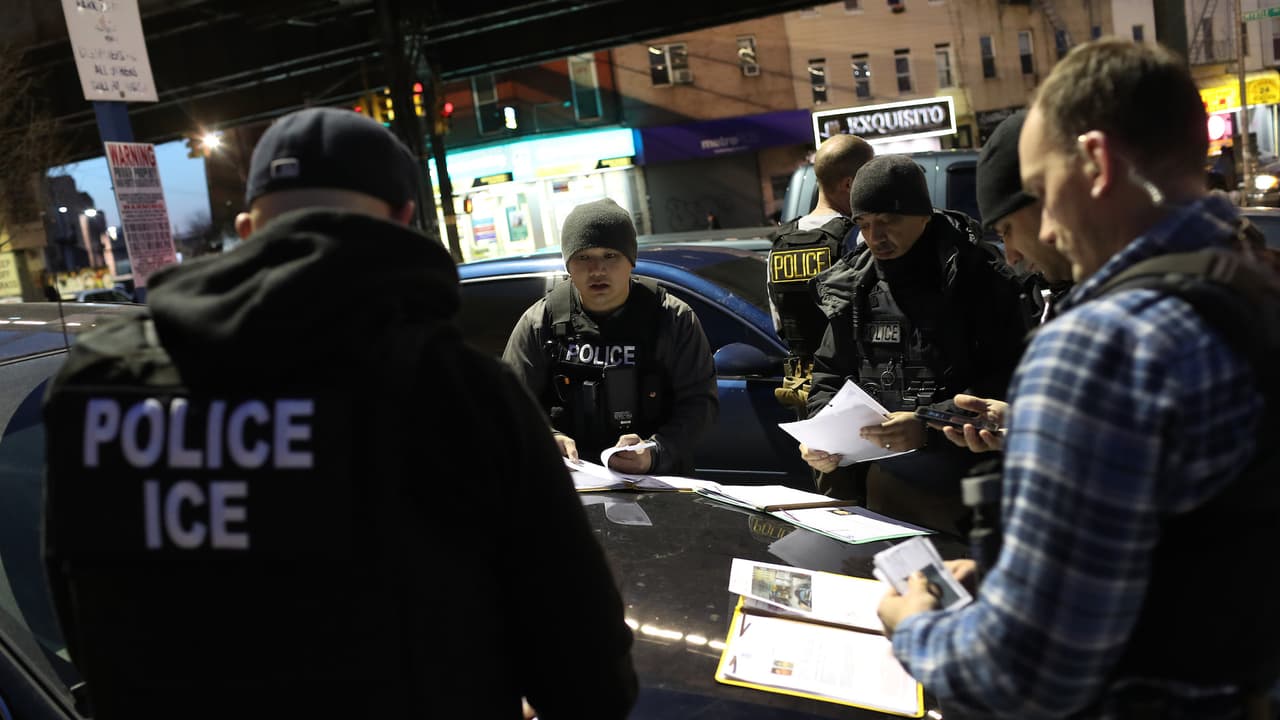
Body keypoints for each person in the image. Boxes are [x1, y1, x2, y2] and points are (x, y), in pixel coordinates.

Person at [42, 108, 637, 720]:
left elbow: (81, 619)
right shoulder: (461, 396)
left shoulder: (98, 381)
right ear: (404, 218)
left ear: (248, 228)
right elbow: (585, 670)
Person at [878, 39, 1280, 718]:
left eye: (1036, 191)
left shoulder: (1101, 341)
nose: (1041, 233)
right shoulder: (1256, 284)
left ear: (1094, 163)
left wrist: (913, 623)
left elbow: (1020, 677)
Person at [798, 154, 1028, 532]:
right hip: (879, 493)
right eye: (865, 224)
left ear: (924, 215)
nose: (875, 236)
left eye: (888, 221)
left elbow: (1006, 381)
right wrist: (820, 435)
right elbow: (830, 373)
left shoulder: (979, 281)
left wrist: (927, 426)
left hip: (966, 490)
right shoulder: (852, 287)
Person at [503, 198, 718, 474]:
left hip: (659, 484)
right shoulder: (540, 323)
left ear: (631, 261)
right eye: (583, 257)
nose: (597, 270)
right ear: (568, 265)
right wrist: (547, 438)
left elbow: (701, 405)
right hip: (573, 485)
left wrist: (656, 451)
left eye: (610, 256)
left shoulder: (673, 318)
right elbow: (507, 406)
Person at [768, 134, 875, 412]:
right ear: (850, 184)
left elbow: (780, 323)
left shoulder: (781, 242)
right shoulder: (859, 238)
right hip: (854, 386)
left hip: (802, 389)